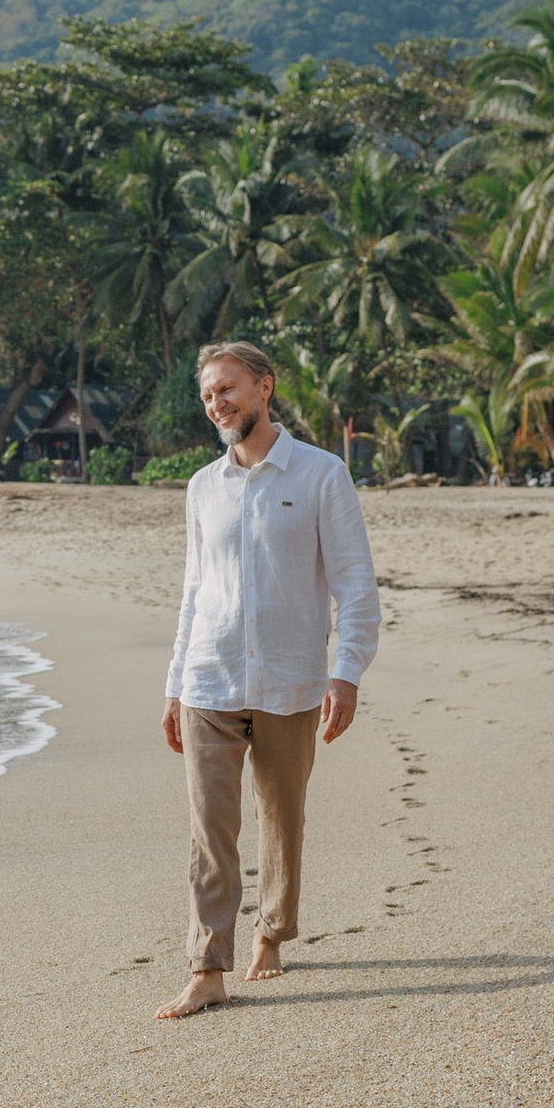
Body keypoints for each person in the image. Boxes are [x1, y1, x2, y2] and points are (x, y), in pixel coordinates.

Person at [157, 341, 380, 1020]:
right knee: (210, 829)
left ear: (263, 388)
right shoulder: (202, 487)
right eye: (208, 395)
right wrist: (173, 684)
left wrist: (346, 674)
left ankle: (272, 933)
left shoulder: (321, 474)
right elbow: (194, 591)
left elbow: (355, 584)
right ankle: (206, 966)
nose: (217, 403)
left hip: (291, 679)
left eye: (227, 389)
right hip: (208, 678)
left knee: (282, 818)